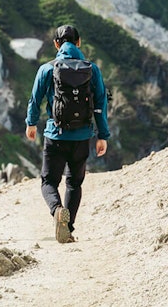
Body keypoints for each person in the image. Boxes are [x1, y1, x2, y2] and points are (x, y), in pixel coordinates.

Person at [26, 24, 110, 243]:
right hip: (82, 136)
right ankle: (68, 228)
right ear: (79, 42)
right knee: (74, 183)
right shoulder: (92, 69)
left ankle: (56, 211)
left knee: (48, 182)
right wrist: (103, 135)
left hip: (55, 134)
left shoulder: (47, 69)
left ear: (56, 44)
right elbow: (101, 103)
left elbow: (35, 100)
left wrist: (31, 123)